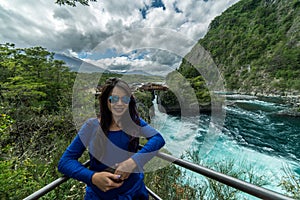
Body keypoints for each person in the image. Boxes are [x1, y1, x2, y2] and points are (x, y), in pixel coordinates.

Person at [58, 77, 165, 200]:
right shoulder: (91, 126)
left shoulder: (134, 122)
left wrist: (134, 161)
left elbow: (158, 138)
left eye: (124, 99)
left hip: (134, 192)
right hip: (100, 196)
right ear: (105, 101)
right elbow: (65, 162)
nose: (119, 103)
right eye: (113, 99)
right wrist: (93, 177)